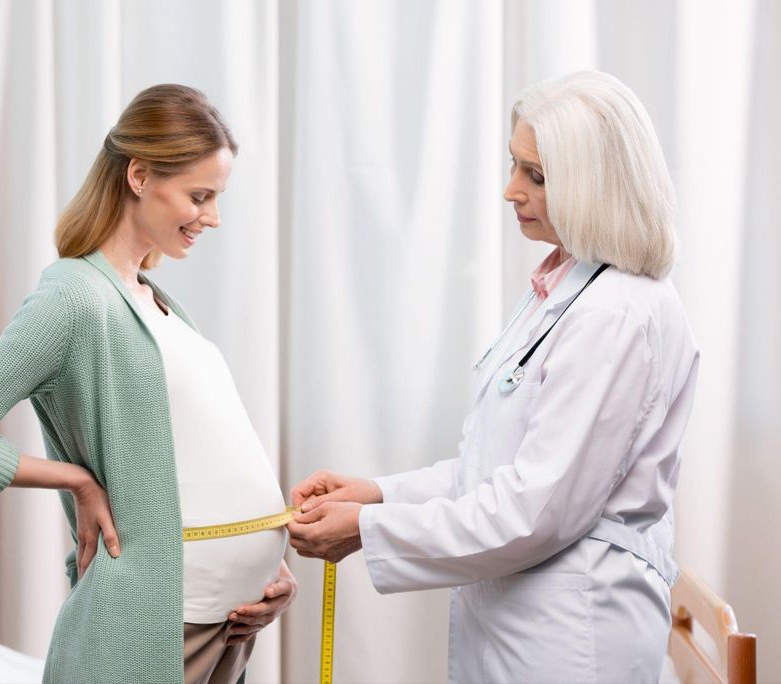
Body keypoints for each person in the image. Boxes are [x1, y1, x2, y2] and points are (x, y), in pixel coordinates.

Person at [287, 70, 699, 683]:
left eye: (536, 175)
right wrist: (378, 493)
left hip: (572, 635)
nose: (511, 191)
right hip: (525, 622)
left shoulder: (616, 314)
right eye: (515, 166)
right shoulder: (566, 286)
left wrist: (369, 530)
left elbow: (536, 511)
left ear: (595, 184)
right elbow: (497, 467)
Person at [0, 84, 296, 684]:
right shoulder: (74, 297)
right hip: (158, 618)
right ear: (139, 175)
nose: (213, 217)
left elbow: (200, 455)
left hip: (230, 618)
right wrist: (77, 480)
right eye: (200, 196)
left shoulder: (154, 299)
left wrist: (266, 561)